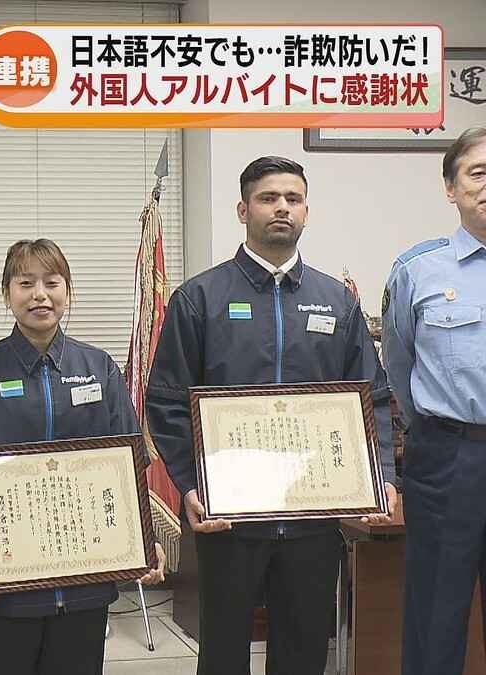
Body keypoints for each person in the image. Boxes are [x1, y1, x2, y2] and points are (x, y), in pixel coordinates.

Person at [145, 156, 397, 675]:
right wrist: (190, 485)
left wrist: (381, 478)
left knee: (304, 650)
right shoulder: (200, 299)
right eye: (268, 198)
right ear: (243, 210)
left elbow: (371, 398)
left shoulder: (336, 302)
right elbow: (167, 402)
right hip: (228, 519)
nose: (282, 207)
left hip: (313, 518)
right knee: (223, 652)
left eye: (293, 199)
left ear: (306, 211)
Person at [0, 238, 165, 675]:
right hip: (6, 583)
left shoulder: (99, 368)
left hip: (85, 578)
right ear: (7, 293)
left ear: (68, 290)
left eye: (51, 282)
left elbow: (129, 461)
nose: (39, 295)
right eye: (26, 283)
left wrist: (144, 537)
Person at [383, 126, 486, 675]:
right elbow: (399, 366)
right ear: (451, 188)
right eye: (478, 173)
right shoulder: (417, 270)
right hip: (449, 456)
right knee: (436, 612)